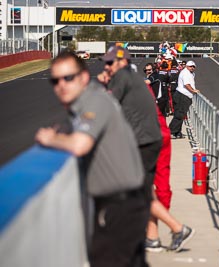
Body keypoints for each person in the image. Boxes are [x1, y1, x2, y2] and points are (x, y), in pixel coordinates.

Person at [35, 50, 149, 267]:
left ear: (83, 77)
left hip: (120, 206)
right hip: (125, 203)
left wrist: (51, 139)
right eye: (55, 80)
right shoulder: (88, 100)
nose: (61, 85)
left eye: (68, 78)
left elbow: (80, 145)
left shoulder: (95, 100)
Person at [100, 46, 163, 204]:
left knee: (135, 190)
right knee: (143, 189)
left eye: (109, 62)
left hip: (143, 141)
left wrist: (102, 84)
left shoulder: (123, 75)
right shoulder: (130, 75)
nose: (106, 67)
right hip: (148, 138)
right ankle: (169, 227)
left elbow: (106, 104)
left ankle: (172, 226)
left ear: (122, 62)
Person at [144, 63, 195, 252]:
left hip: (149, 138)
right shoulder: (144, 86)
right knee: (151, 190)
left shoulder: (140, 84)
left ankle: (176, 228)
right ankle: (152, 237)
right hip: (156, 134)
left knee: (140, 191)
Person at [169, 60, 200, 139]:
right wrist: (193, 91)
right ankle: (171, 131)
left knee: (180, 115)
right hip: (182, 96)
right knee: (179, 115)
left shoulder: (191, 73)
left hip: (184, 95)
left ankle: (177, 132)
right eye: (190, 66)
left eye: (193, 66)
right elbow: (186, 84)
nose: (192, 68)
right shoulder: (185, 73)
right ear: (186, 66)